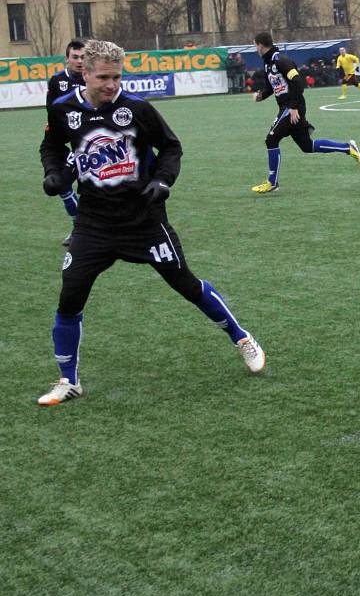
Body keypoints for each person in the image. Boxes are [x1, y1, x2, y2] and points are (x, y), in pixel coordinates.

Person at [37, 39, 266, 406]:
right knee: (69, 297)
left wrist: (162, 181)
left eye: (117, 77)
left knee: (186, 284)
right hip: (93, 223)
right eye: (103, 77)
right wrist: (53, 172)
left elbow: (171, 148)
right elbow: (52, 147)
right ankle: (68, 380)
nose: (112, 85)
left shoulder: (137, 109)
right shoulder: (63, 109)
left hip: (143, 220)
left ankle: (241, 337)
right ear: (85, 73)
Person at [250, 32, 360, 194]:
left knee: (271, 139)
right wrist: (261, 95)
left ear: (260, 45)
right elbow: (271, 87)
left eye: (255, 45)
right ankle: (348, 148)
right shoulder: (268, 64)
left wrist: (294, 107)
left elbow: (298, 82)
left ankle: (272, 182)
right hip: (288, 106)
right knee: (307, 146)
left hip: (291, 107)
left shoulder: (280, 61)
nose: (255, 48)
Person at [46, 39, 86, 247]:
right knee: (61, 184)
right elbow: (51, 112)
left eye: (83, 57)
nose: (80, 61)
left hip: (89, 143)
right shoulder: (57, 81)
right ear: (67, 59)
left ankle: (85, 231)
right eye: (75, 57)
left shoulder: (94, 78)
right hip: (66, 142)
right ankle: (79, 228)